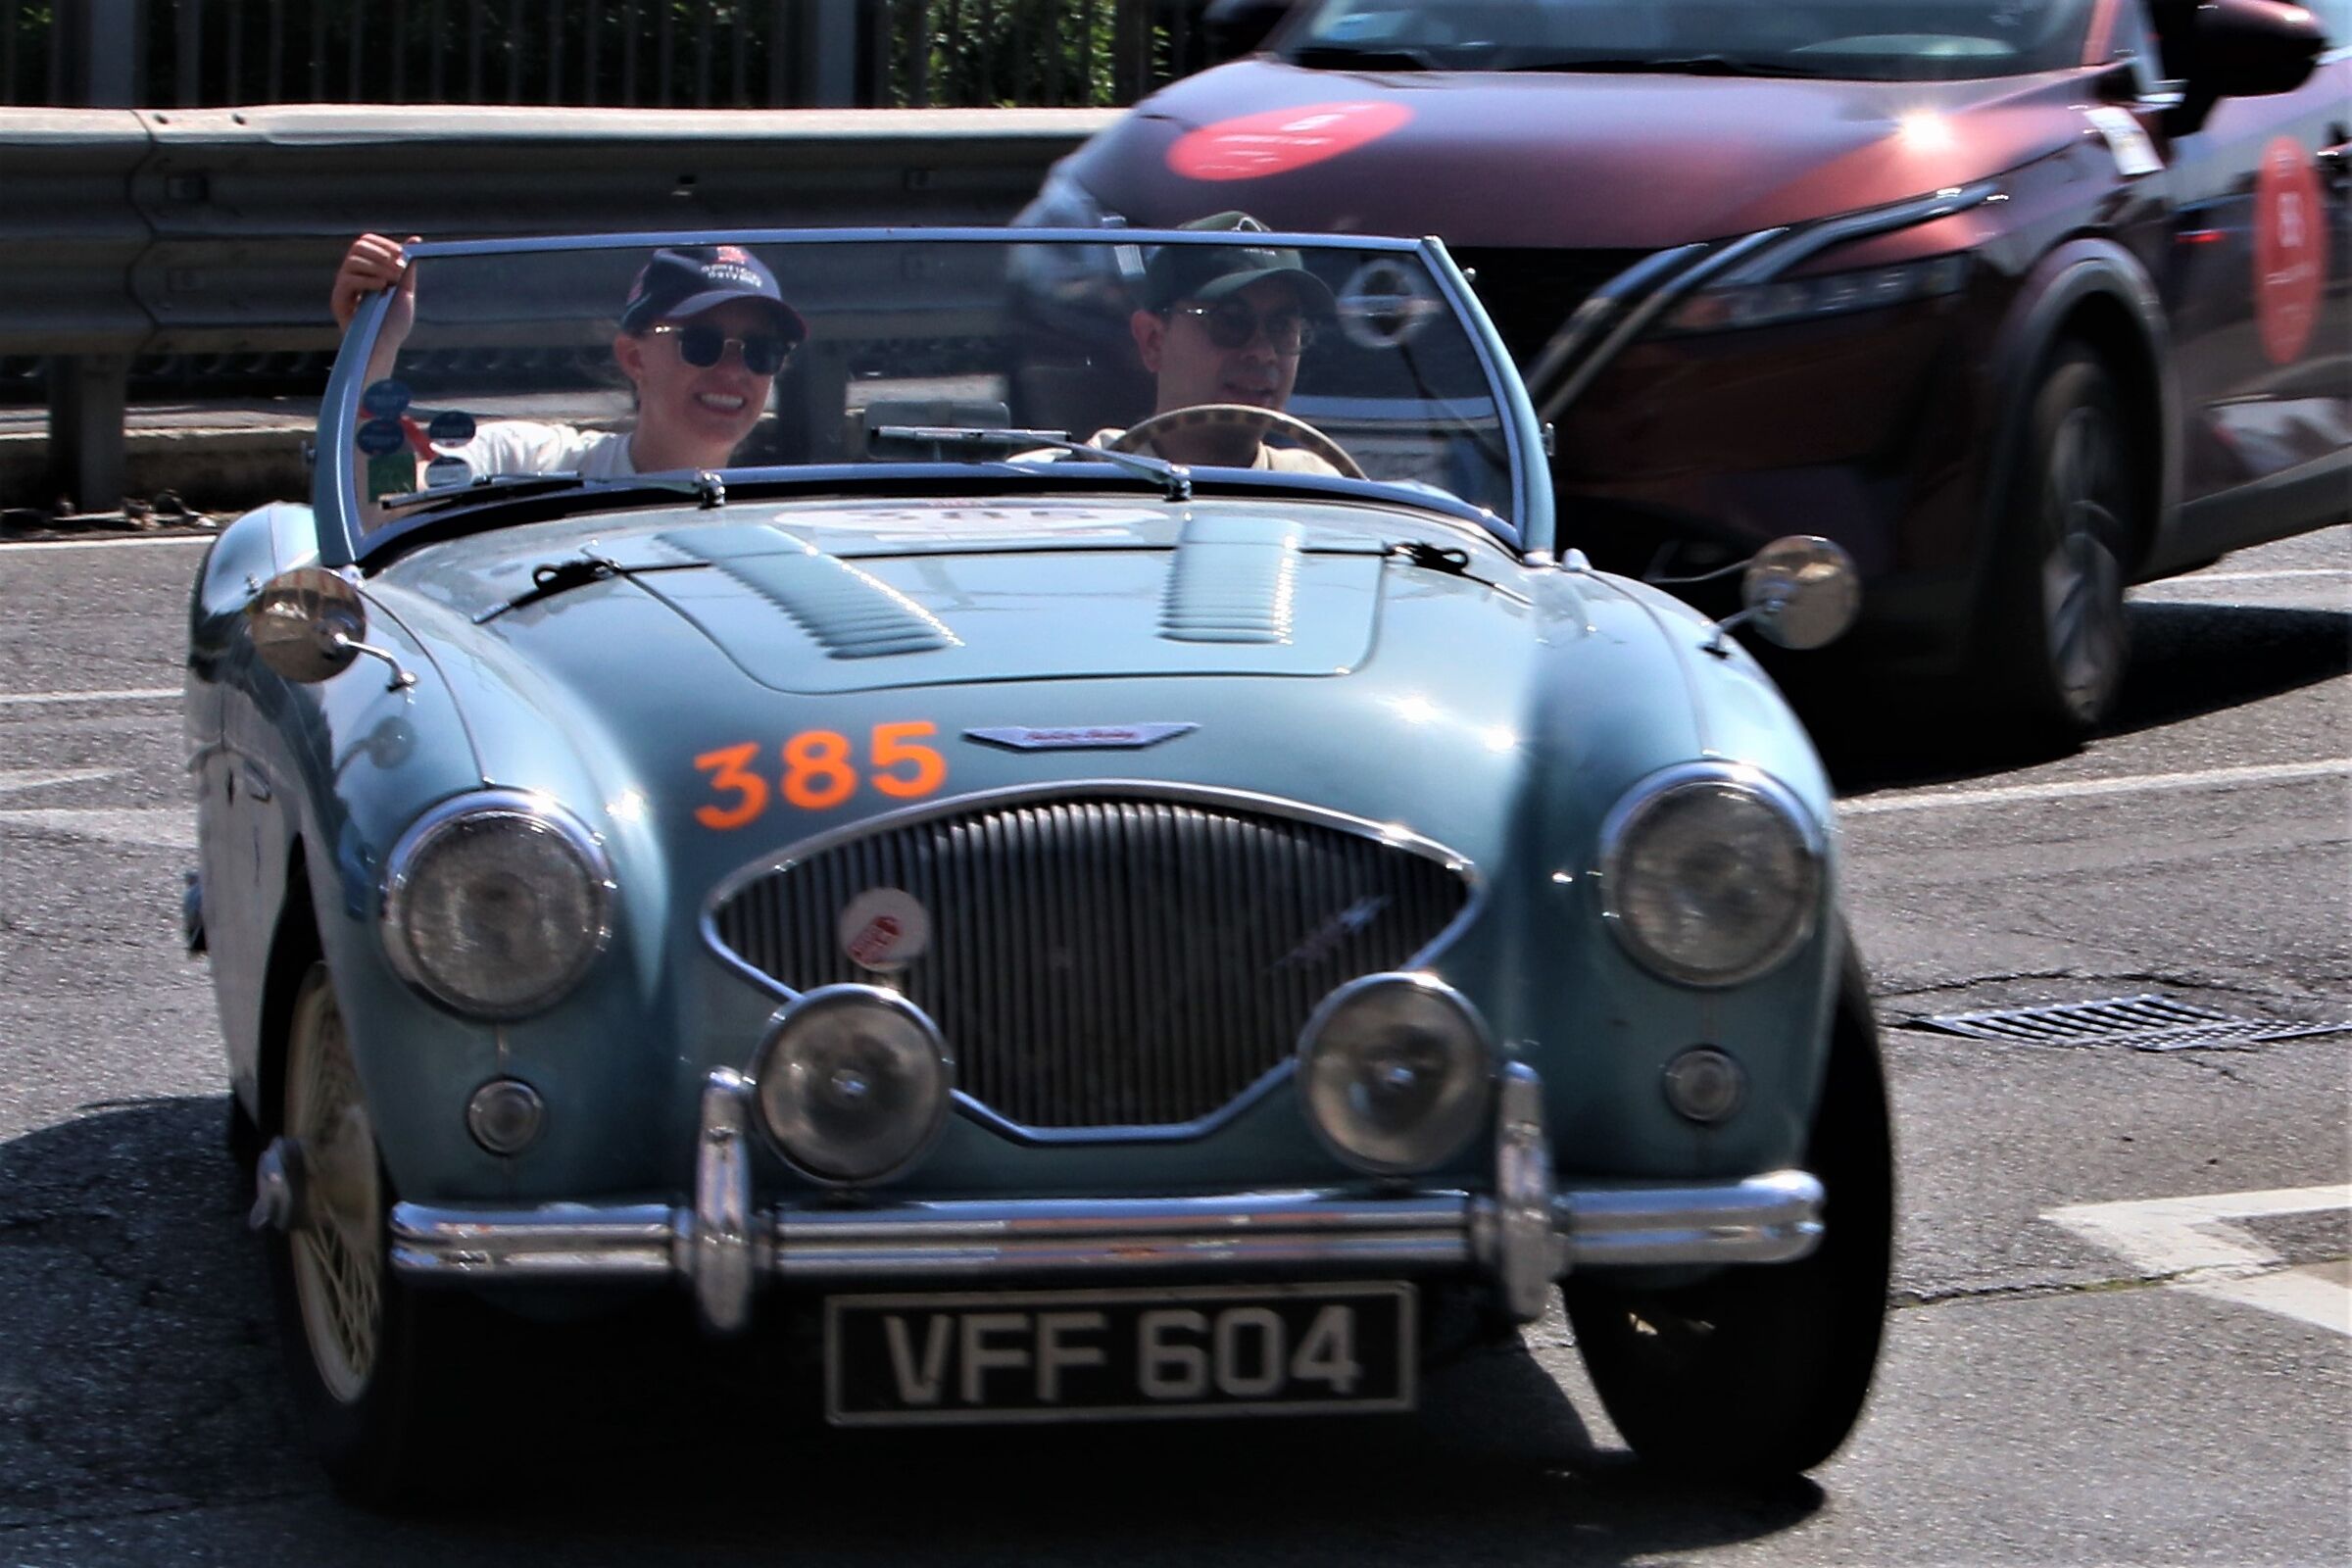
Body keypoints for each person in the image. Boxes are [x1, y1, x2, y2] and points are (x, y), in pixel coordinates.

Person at [328, 233, 805, 493]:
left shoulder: (791, 514)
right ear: (634, 356)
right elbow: (387, 506)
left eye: (762, 352)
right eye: (701, 343)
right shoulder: (524, 462)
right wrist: (374, 353)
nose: (733, 371)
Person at [1089, 212, 1345, 474]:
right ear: (1153, 341)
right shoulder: (1082, 481)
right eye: (1230, 321)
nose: (1263, 353)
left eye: (1282, 328)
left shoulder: (1320, 487)